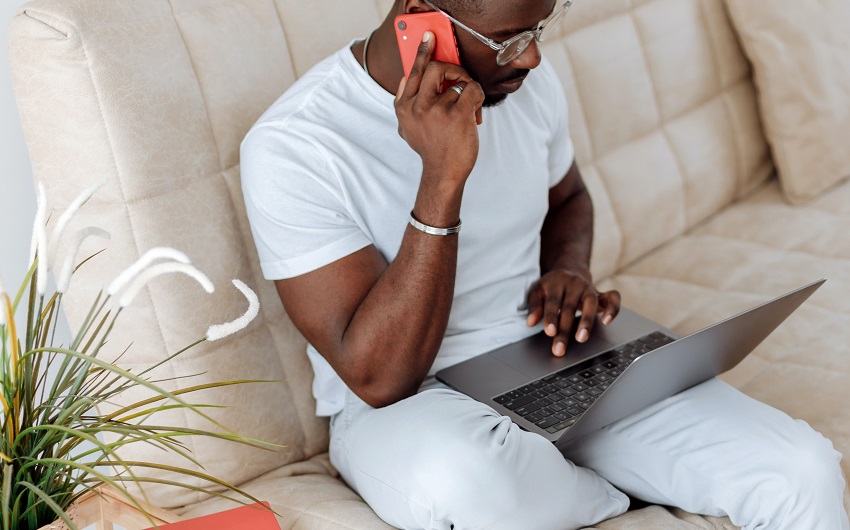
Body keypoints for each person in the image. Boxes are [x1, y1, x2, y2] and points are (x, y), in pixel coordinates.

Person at [240, 0, 849, 528]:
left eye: (541, 26)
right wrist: (442, 178)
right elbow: (378, 377)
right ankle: (603, 492)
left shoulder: (524, 83)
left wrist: (570, 270)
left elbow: (570, 198)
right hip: (406, 405)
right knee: (463, 481)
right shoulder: (296, 146)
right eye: (510, 40)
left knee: (802, 471)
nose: (531, 58)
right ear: (420, 22)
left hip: (550, 354)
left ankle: (559, 479)